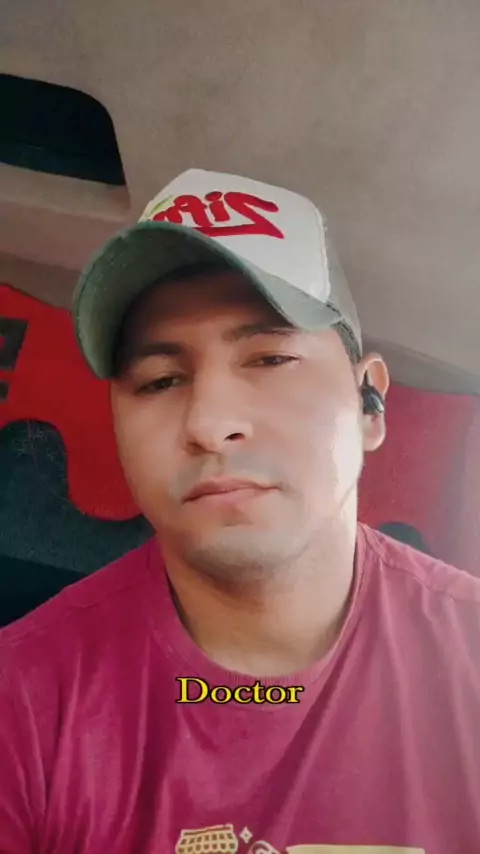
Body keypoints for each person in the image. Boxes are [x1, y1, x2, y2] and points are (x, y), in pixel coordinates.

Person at [0, 168, 479, 854]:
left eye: (271, 358)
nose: (209, 424)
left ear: (369, 405)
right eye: (160, 380)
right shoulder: (22, 699)